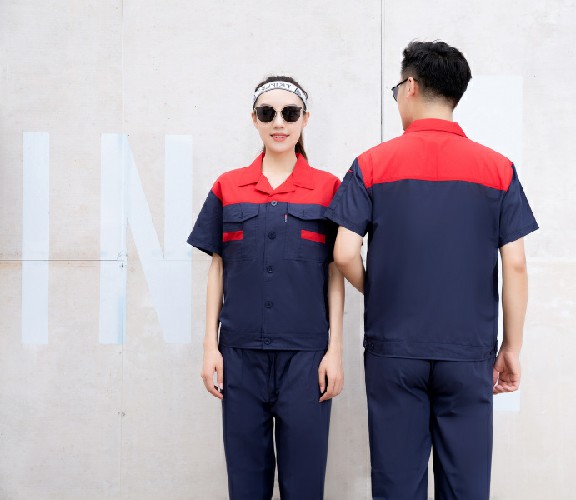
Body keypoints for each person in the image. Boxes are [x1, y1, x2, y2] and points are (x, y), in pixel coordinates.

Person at [326, 41, 538, 500]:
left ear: (411, 87)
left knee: (397, 485)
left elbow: (344, 253)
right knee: (466, 486)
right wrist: (511, 347)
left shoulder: (371, 164)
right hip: (468, 352)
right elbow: (516, 265)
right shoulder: (498, 169)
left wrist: (378, 291)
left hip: (393, 350)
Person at [188, 76, 344, 500]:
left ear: (305, 120)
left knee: (305, 485)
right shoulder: (228, 186)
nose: (279, 122)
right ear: (254, 119)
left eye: (290, 113)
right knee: (245, 485)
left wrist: (334, 351)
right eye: (267, 113)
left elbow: (335, 273)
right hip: (239, 356)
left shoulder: (328, 188)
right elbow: (217, 268)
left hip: (306, 357)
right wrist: (210, 347)